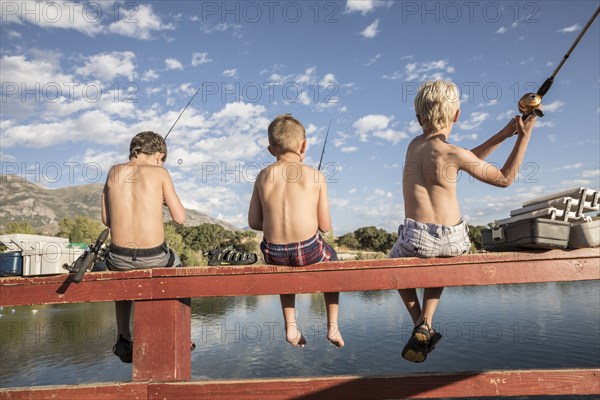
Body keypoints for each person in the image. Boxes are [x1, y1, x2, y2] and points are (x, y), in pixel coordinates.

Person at [391, 80, 538, 362]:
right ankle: (426, 321)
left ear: (418, 118)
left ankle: (419, 322)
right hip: (453, 240)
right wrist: (523, 137)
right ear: (457, 115)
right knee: (442, 257)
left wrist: (503, 134)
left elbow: (463, 161)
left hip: (415, 239)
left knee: (395, 264)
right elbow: (504, 178)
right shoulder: (455, 153)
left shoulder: (413, 146)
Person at [248, 114, 344, 348]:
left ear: (271, 150)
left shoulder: (263, 176)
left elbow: (253, 222)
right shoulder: (316, 175)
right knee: (332, 260)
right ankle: (333, 327)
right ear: (304, 146)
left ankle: (290, 325)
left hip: (274, 252)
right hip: (308, 250)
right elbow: (325, 226)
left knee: (284, 267)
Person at [101, 131, 186, 363]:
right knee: (179, 268)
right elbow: (180, 217)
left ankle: (123, 336)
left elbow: (106, 220)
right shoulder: (160, 172)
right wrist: (164, 200)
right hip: (155, 256)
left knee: (122, 276)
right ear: (159, 155)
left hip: (117, 257)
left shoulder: (113, 172)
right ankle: (180, 330)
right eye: (162, 160)